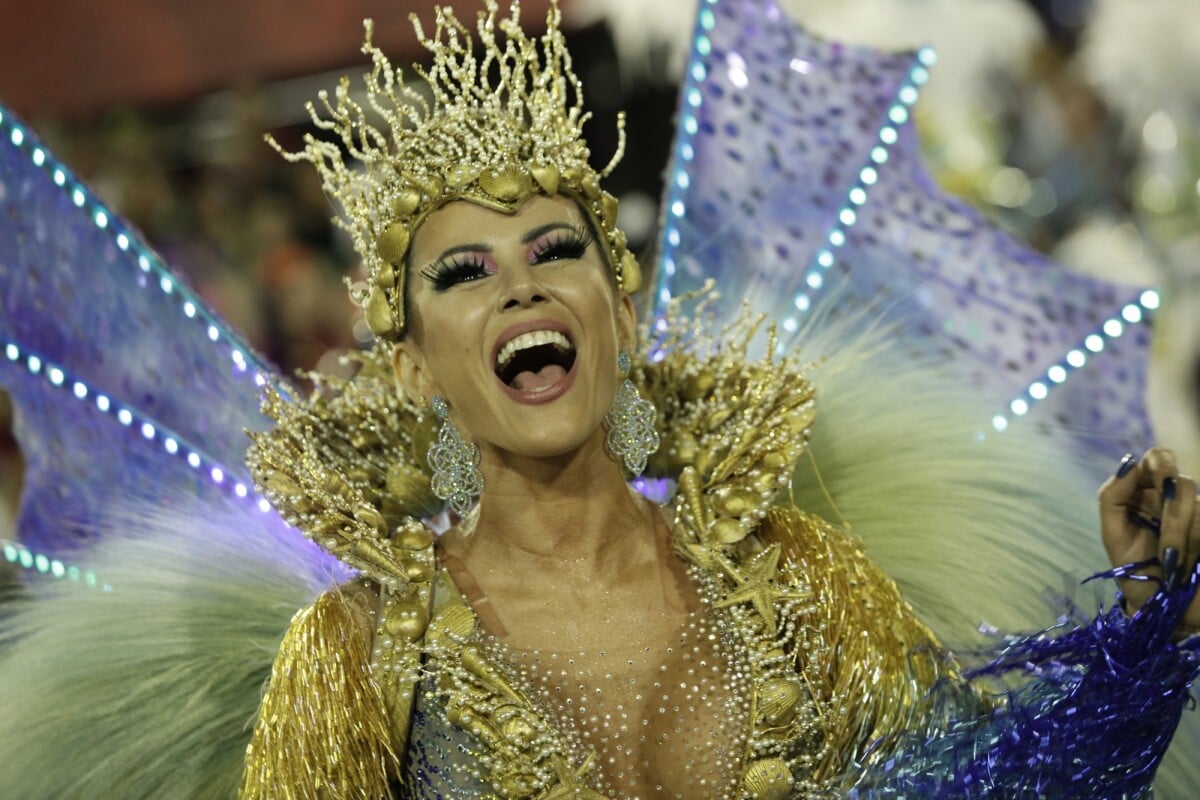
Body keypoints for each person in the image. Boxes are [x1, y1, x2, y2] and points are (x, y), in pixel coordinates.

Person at [0, 1, 1196, 798]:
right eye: (464, 273)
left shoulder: (801, 574)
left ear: (619, 314)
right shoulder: (361, 657)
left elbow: (991, 789)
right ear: (414, 363)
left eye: (556, 249)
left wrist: (1151, 618)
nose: (520, 284)